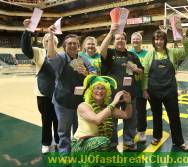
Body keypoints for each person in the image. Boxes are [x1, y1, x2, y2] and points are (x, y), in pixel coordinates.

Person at [47, 25, 95, 153]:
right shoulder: (61, 58)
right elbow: (51, 56)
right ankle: (65, 155)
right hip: (64, 102)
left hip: (80, 102)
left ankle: (77, 152)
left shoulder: (83, 58)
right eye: (70, 44)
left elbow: (95, 75)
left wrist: (87, 73)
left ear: (79, 46)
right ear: (64, 46)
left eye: (75, 43)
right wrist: (51, 36)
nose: (73, 46)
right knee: (64, 131)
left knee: (79, 130)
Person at [143, 30, 188, 151]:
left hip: (170, 90)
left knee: (174, 116)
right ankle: (156, 136)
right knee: (156, 115)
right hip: (154, 91)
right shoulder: (150, 55)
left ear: (165, 40)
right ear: (153, 41)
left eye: (161, 39)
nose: (158, 41)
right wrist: (144, 89)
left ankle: (179, 141)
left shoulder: (172, 52)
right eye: (156, 39)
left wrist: (184, 39)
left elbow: (187, 51)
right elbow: (145, 73)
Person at [100, 24, 143, 151]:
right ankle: (112, 143)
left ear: (126, 41)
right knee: (111, 119)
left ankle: (129, 141)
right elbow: (101, 50)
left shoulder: (132, 55)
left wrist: (136, 69)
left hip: (129, 94)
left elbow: (141, 71)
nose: (120, 41)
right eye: (117, 39)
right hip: (112, 94)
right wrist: (111, 32)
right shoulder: (110, 53)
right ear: (114, 41)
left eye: (122, 39)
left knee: (130, 118)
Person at [21, 19, 59, 154]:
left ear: (56, 43)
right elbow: (26, 49)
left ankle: (59, 141)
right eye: (47, 40)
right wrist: (27, 31)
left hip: (58, 94)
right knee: (46, 119)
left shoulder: (61, 55)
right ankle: (46, 142)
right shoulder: (38, 52)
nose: (49, 42)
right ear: (44, 42)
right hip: (43, 93)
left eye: (52, 40)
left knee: (58, 119)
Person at [72, 74, 132, 153]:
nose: (100, 91)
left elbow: (127, 115)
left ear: (107, 91)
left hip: (99, 144)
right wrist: (114, 102)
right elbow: (97, 120)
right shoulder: (83, 106)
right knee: (104, 141)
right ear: (91, 91)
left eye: (103, 88)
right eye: (97, 88)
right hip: (81, 144)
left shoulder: (107, 108)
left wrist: (128, 102)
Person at [129, 32, 148, 142]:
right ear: (131, 41)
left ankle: (141, 132)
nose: (135, 41)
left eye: (137, 39)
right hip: (130, 87)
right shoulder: (128, 53)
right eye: (133, 39)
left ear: (141, 41)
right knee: (131, 111)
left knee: (141, 111)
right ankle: (132, 130)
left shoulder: (146, 53)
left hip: (141, 87)